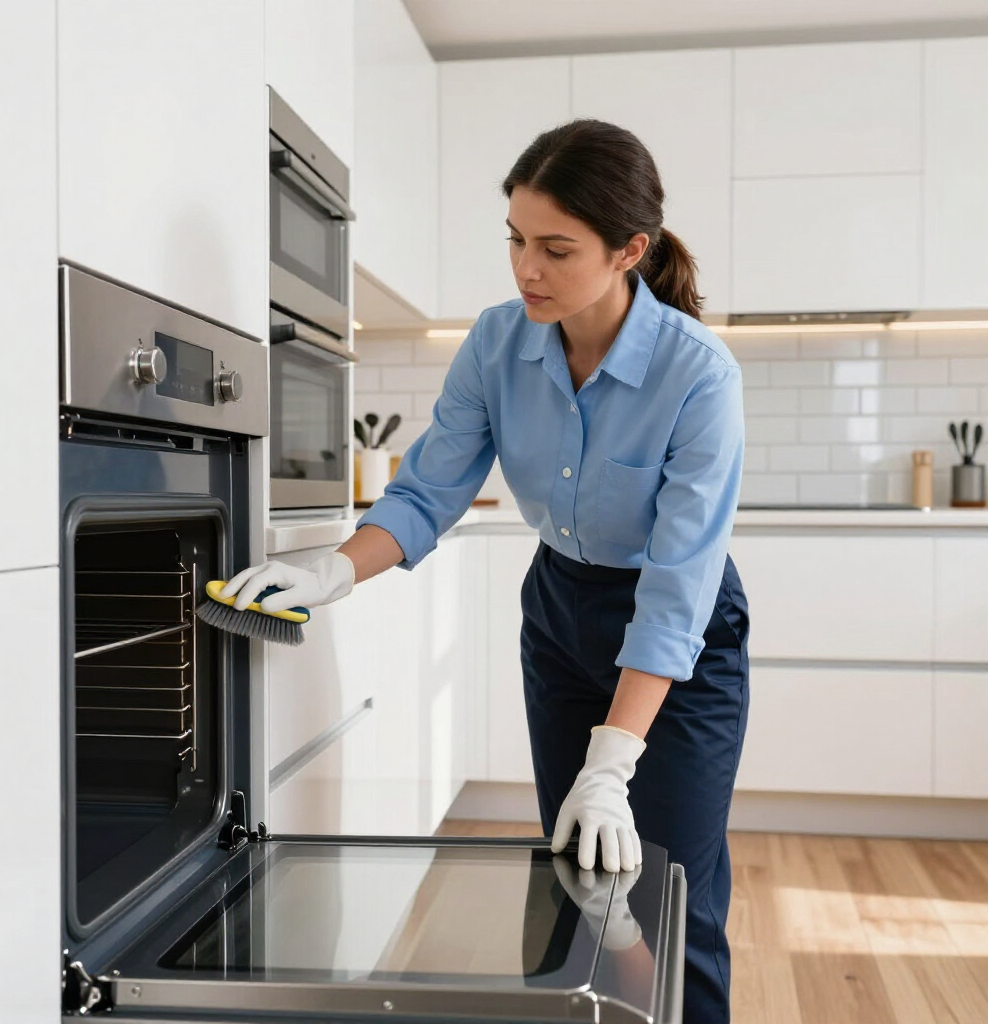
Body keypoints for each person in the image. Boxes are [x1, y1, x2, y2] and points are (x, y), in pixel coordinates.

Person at [222, 119, 749, 1024]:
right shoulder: (498, 345)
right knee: (579, 878)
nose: (526, 269)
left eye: (555, 248)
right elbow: (426, 493)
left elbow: (677, 587)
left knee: (668, 891)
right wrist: (331, 574)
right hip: (559, 611)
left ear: (630, 249)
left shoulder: (697, 376)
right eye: (515, 239)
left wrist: (614, 760)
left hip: (679, 645)